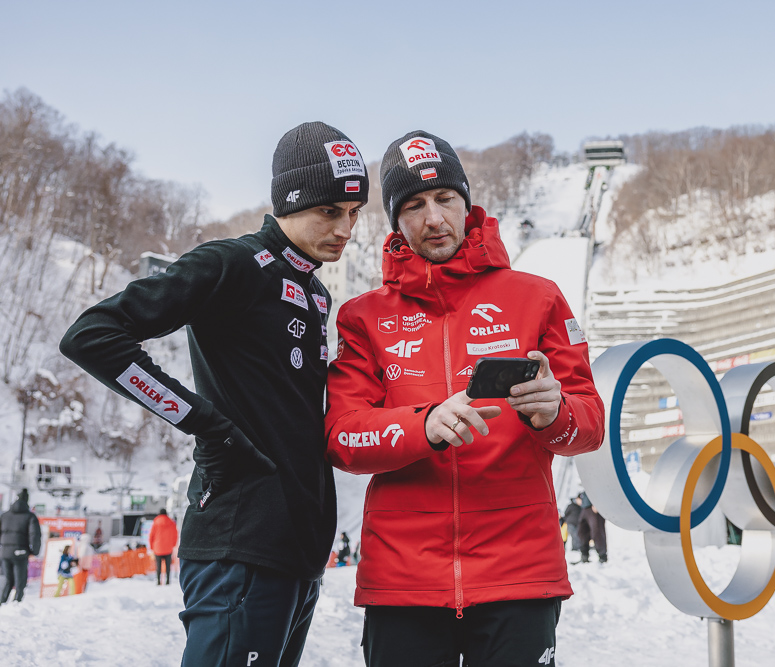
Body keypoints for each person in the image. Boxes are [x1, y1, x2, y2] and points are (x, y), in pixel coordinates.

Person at [60, 121, 367, 666]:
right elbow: (92, 337)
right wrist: (206, 426)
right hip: (238, 542)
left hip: (298, 553)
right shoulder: (232, 262)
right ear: (290, 201)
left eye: (354, 212)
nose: (346, 227)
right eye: (329, 211)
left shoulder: (315, 290)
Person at [325, 131, 606, 666]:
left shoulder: (538, 297)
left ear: (466, 202)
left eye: (444, 199)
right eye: (413, 205)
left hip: (519, 575)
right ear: (395, 221)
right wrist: (424, 424)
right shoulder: (362, 317)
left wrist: (556, 413)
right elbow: (343, 436)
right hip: (403, 581)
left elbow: (588, 425)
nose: (433, 218)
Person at [0, 488, 41, 604]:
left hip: (4, 553)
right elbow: (34, 535)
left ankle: (2, 602)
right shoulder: (30, 516)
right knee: (20, 580)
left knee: (7, 579)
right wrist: (35, 551)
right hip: (20, 552)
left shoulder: (5, 515)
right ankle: (17, 603)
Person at [148, 509, 179, 585]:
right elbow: (175, 534)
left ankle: (158, 581)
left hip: (157, 548)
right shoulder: (171, 522)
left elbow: (151, 535)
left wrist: (151, 547)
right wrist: (173, 544)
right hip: (168, 548)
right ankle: (168, 580)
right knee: (168, 565)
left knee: (158, 565)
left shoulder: (156, 522)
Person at [576, 491, 607, 564]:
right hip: (584, 508)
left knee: (597, 532)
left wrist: (598, 504)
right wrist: (578, 498)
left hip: (594, 508)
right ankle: (584, 556)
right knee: (582, 532)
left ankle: (602, 557)